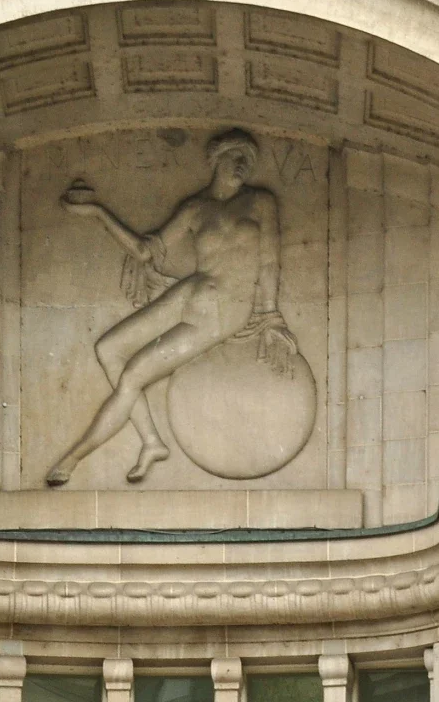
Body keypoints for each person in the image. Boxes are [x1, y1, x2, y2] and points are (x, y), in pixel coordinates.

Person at [46, 128, 300, 486]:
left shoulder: (260, 202)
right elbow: (146, 252)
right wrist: (96, 212)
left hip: (226, 308)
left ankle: (74, 458)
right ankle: (151, 441)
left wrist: (271, 315)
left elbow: (271, 262)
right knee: (107, 348)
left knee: (134, 374)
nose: (243, 164)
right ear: (216, 159)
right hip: (192, 291)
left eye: (249, 160)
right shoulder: (195, 208)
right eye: (236, 155)